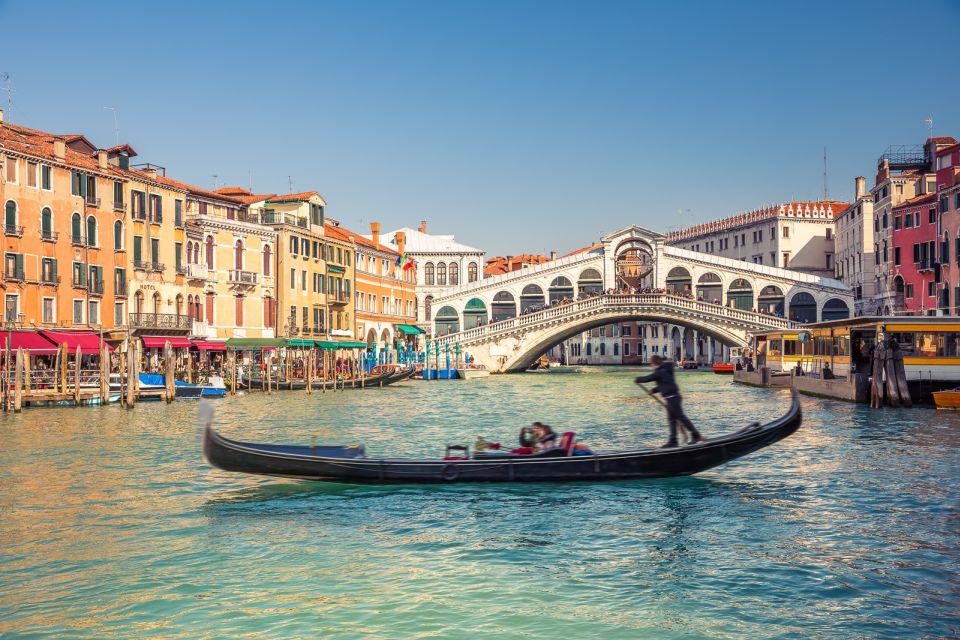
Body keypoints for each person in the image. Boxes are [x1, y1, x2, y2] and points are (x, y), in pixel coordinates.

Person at [635, 355, 703, 448]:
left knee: (680, 418)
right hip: (673, 397)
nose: (652, 366)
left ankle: (695, 436)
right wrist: (653, 391)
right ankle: (673, 441)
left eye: (652, 364)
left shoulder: (660, 372)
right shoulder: (665, 371)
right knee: (673, 420)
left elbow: (648, 378)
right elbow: (664, 385)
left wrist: (637, 379)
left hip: (672, 398)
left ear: (654, 363)